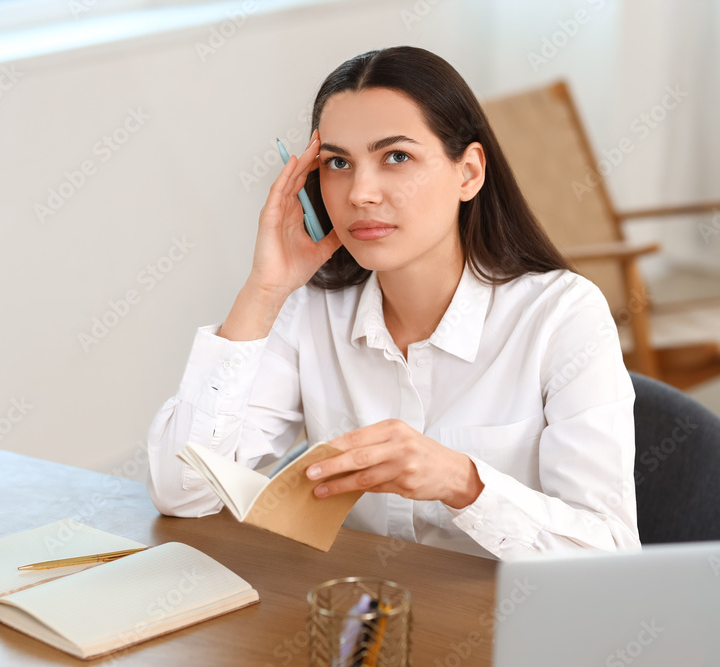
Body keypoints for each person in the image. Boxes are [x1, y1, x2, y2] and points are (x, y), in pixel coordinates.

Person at [146, 46, 639, 559]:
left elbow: (611, 555)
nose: (360, 193)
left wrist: (462, 482)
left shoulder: (562, 316)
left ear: (468, 173)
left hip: (513, 622)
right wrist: (264, 289)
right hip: (366, 615)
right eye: (338, 162)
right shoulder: (310, 308)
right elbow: (182, 491)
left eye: (396, 157)